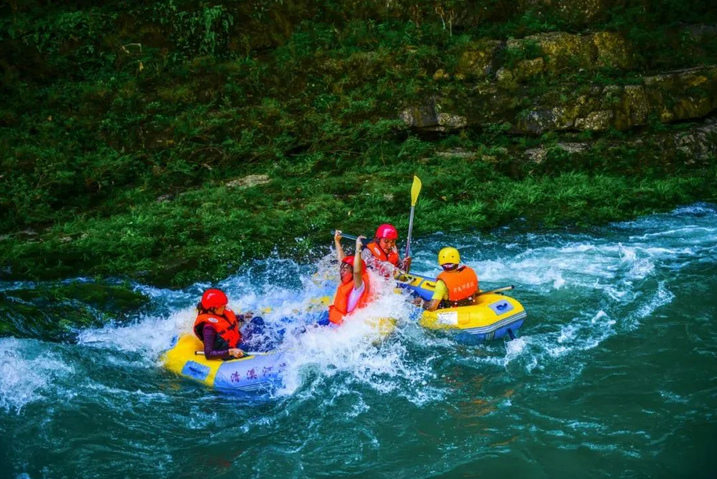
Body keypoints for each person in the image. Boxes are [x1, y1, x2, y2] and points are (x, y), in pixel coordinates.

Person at [193, 288, 257, 360]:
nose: (225, 307)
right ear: (212, 308)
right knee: (257, 340)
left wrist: (243, 316)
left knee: (257, 320)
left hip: (239, 341)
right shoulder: (208, 328)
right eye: (222, 306)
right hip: (234, 352)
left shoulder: (220, 313)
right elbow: (208, 354)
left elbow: (229, 321)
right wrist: (231, 352)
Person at [327, 231, 372, 325]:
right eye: (341, 268)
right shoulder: (347, 279)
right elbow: (341, 260)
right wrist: (337, 241)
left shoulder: (359, 287)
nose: (341, 271)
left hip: (342, 327)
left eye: (345, 269)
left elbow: (356, 271)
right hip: (334, 319)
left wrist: (358, 247)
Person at [420, 247, 479, 312]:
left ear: (441, 264)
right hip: (470, 306)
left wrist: (421, 303)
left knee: (419, 300)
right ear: (458, 261)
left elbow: (432, 307)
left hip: (452, 311)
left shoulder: (442, 283)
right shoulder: (470, 272)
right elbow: (476, 292)